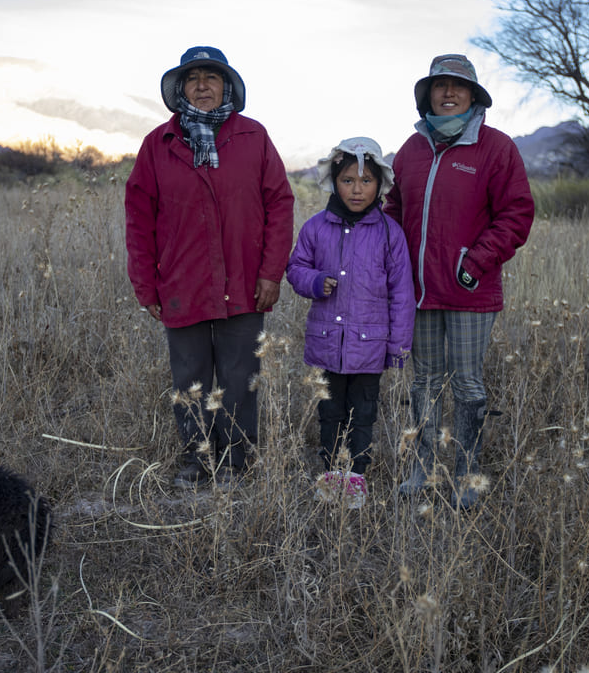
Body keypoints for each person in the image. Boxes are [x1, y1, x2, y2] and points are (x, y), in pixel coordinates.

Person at [125, 46, 294, 489]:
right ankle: (198, 459)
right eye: (193, 77)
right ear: (180, 88)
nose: (202, 85)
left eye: (212, 77)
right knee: (190, 378)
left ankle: (238, 463)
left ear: (227, 87)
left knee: (240, 378)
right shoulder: (158, 144)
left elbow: (280, 203)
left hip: (245, 282)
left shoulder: (253, 137)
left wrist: (271, 273)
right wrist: (147, 287)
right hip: (182, 282)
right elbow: (139, 220)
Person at [384, 54, 534, 510]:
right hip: (420, 294)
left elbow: (516, 214)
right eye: (439, 86)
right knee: (424, 383)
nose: (448, 93)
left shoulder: (495, 148)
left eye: (458, 86)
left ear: (473, 95)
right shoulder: (411, 150)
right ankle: (423, 469)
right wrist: (388, 265)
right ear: (427, 94)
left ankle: (469, 474)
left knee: (468, 385)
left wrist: (476, 262)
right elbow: (393, 211)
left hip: (470, 291)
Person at [286, 138, 415, 509]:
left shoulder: (390, 233)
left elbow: (402, 293)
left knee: (363, 414)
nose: (356, 189)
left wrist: (398, 345)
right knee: (330, 413)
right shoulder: (315, 227)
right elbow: (295, 268)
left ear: (380, 185)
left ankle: (355, 477)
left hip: (370, 346)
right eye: (347, 180)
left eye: (365, 181)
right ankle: (330, 474)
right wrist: (314, 282)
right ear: (333, 181)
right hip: (328, 343)